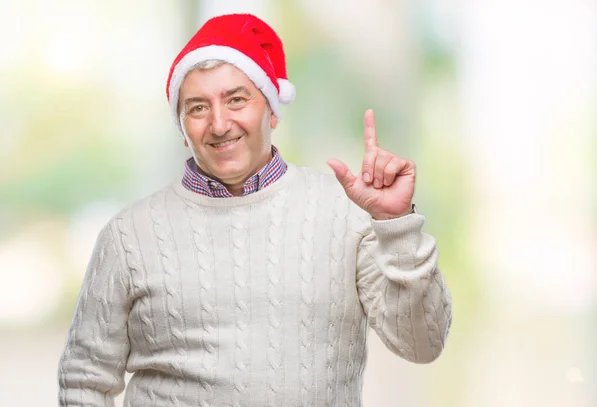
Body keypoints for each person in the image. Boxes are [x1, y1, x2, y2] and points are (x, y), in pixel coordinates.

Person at [57, 13, 452, 407]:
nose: (219, 123)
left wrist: (396, 225)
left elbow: (422, 344)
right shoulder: (129, 236)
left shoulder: (346, 213)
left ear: (273, 111)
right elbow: (83, 381)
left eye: (236, 99)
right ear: (182, 127)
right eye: (197, 108)